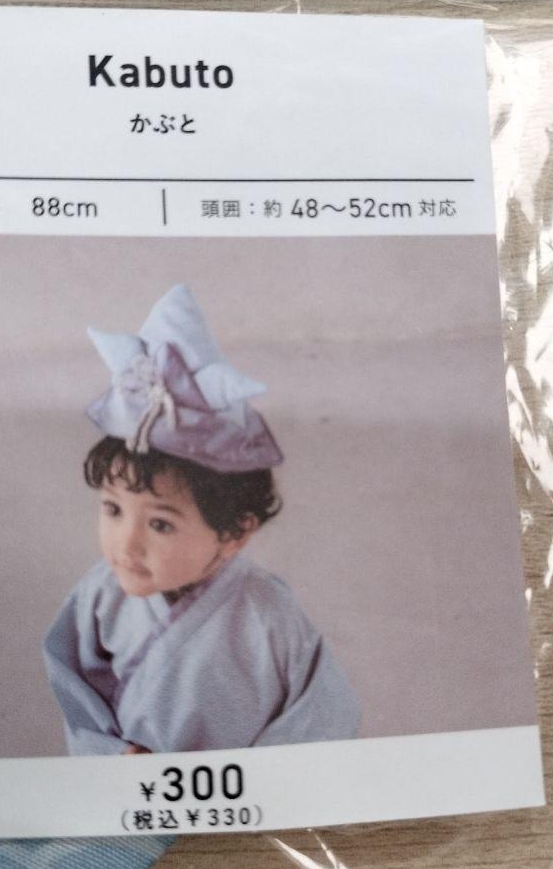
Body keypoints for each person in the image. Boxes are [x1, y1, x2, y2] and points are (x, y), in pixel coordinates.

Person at [43, 284, 361, 755]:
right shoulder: (100, 595)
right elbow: (74, 686)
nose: (126, 545)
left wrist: (259, 782)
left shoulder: (268, 613)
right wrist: (113, 755)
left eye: (160, 524)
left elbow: (322, 714)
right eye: (113, 509)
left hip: (246, 792)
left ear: (235, 532)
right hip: (134, 789)